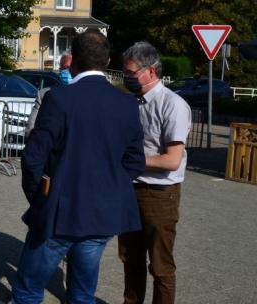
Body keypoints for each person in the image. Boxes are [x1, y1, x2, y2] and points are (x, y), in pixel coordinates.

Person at [11, 30, 145, 304]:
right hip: (101, 215)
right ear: (107, 61)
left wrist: (40, 198)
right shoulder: (127, 104)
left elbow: (33, 157)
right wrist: (109, 188)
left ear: (72, 60)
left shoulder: (60, 98)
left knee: (28, 291)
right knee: (83, 294)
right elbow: (135, 162)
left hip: (59, 214)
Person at [119, 41, 191, 304]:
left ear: (151, 71)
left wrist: (131, 159)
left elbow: (172, 160)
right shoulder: (131, 102)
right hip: (130, 189)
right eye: (125, 72)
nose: (127, 77)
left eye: (131, 72)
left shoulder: (173, 104)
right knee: (130, 259)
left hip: (160, 194)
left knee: (160, 267)